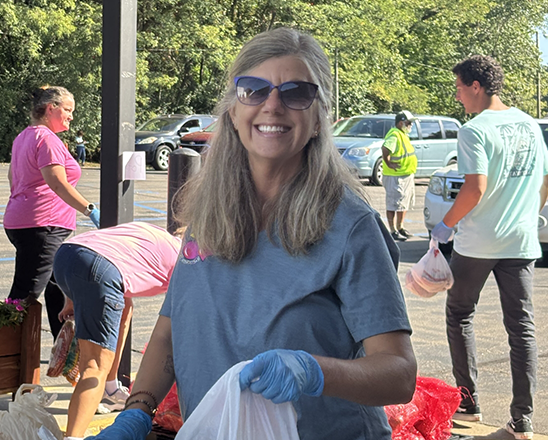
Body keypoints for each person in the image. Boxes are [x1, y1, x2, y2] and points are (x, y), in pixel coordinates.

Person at [89, 27, 416, 440]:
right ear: (233, 110)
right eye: (254, 90)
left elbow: (399, 373)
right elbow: (171, 331)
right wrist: (136, 412)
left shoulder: (351, 227)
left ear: (319, 119)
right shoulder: (209, 215)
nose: (273, 106)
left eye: (297, 93)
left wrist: (314, 371)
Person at [431, 55, 547, 440]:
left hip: (479, 242)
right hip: (521, 240)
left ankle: (469, 402)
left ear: (476, 86)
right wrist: (527, 215)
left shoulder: (474, 130)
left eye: (460, 88)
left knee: (460, 314)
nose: (458, 96)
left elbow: (475, 188)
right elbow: (544, 183)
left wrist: (445, 226)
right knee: (522, 328)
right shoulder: (530, 125)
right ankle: (522, 420)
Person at [53, 222, 182, 440]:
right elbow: (178, 320)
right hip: (98, 269)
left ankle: (111, 389)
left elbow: (99, 251)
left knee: (124, 308)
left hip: (66, 256)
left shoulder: (156, 236)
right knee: (94, 368)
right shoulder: (185, 262)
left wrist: (72, 297)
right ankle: (73, 437)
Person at [4, 86, 99, 339]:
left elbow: (12, 177)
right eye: (67, 110)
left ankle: (64, 346)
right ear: (51, 108)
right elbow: (57, 182)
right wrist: (90, 210)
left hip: (26, 221)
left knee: (59, 284)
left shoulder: (24, 136)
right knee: (24, 295)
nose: (71, 116)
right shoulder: (47, 139)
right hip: (43, 226)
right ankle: (0, 353)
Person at [381, 110, 418, 241]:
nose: (410, 126)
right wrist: (389, 163)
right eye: (409, 123)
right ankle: (392, 230)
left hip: (405, 175)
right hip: (395, 177)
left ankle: (400, 227)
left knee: (403, 203)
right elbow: (385, 149)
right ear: (401, 123)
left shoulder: (402, 134)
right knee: (393, 203)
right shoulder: (395, 135)